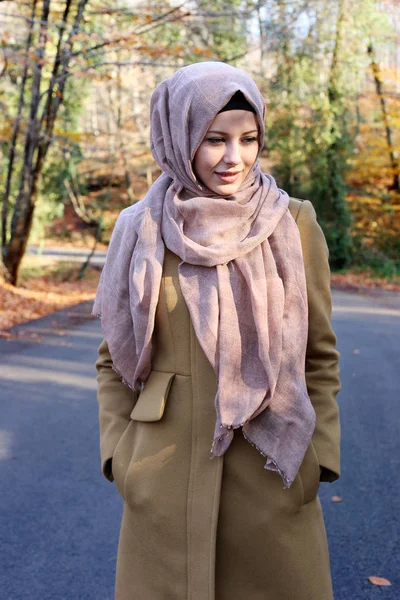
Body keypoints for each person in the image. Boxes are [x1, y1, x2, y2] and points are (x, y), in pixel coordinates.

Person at [93, 61, 341, 600]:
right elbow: (113, 357)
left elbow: (319, 356)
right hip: (162, 476)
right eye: (214, 139)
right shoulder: (140, 227)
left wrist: (319, 456)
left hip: (271, 475)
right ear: (180, 136)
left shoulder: (292, 222)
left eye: (248, 139)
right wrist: (120, 455)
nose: (235, 158)